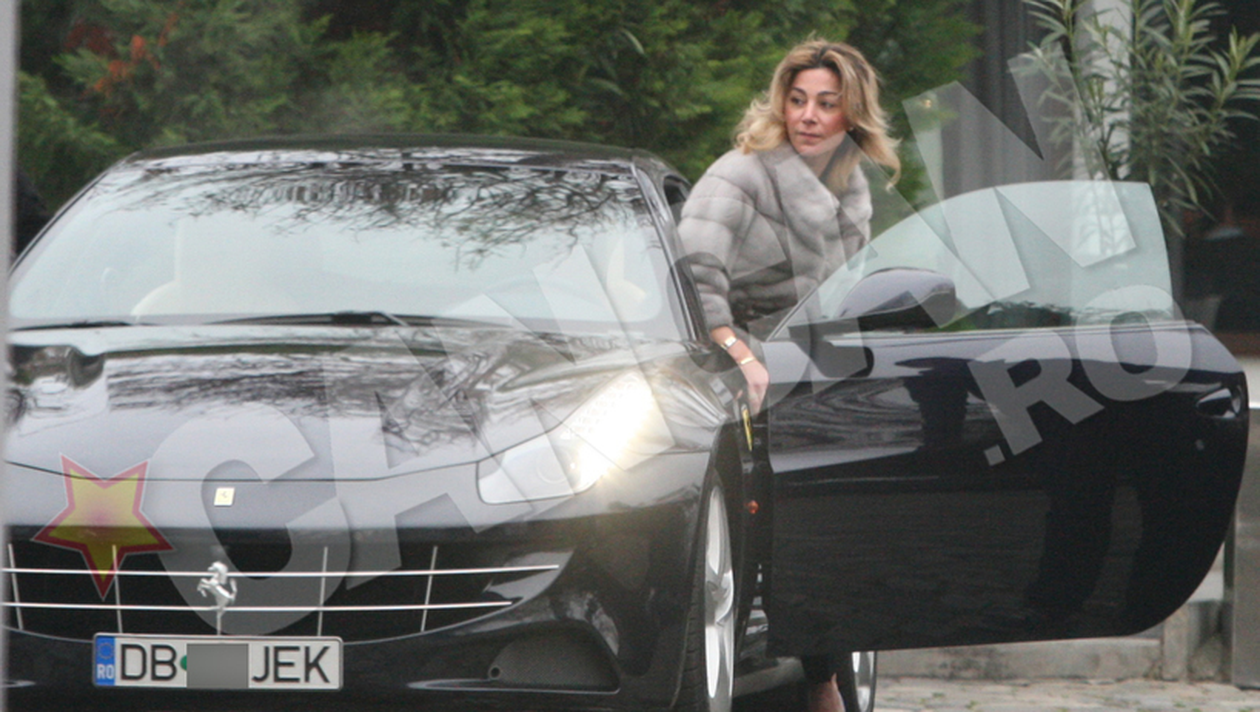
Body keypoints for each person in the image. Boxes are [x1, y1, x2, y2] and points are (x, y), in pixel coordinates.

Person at [677, 38, 901, 712]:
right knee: (785, 532)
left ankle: (822, 679)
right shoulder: (741, 175)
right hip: (739, 378)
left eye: (826, 104)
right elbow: (694, 281)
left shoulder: (852, 189)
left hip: (813, 381)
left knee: (837, 530)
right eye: (798, 100)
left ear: (851, 114)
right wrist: (744, 356)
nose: (808, 115)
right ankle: (813, 684)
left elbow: (846, 301)